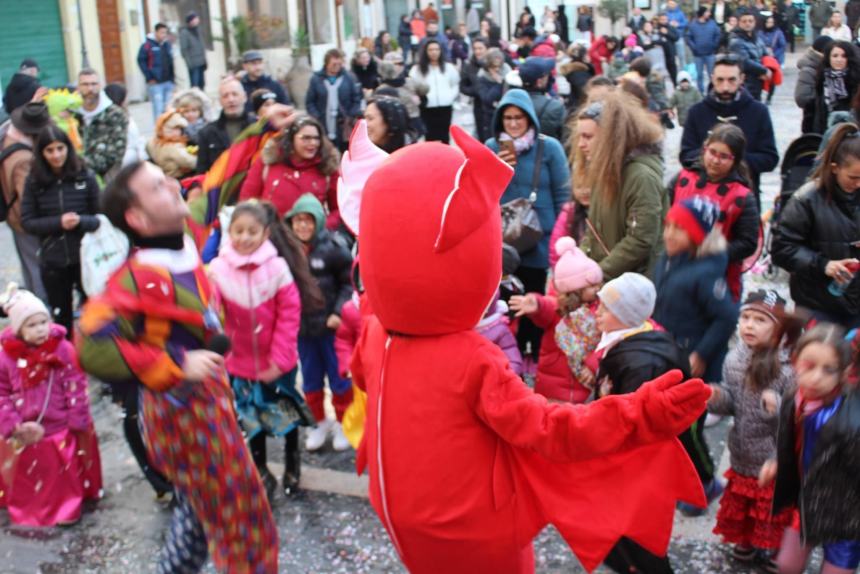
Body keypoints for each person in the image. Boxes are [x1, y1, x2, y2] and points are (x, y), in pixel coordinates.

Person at [346, 116, 711, 574]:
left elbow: (364, 380)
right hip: (476, 528)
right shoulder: (469, 357)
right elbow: (551, 429)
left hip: (399, 517)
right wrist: (638, 415)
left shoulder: (376, 332)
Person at [77, 160, 279, 572]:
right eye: (157, 186)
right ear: (138, 217)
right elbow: (90, 344)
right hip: (185, 420)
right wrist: (173, 364)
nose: (172, 184)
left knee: (199, 516)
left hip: (211, 405)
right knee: (244, 521)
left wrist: (264, 133)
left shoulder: (188, 236)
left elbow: (219, 182)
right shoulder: (136, 278)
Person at [588, 272, 718, 573]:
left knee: (637, 535)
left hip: (640, 466)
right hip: (635, 463)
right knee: (624, 533)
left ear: (625, 315)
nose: (598, 312)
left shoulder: (642, 364)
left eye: (606, 309)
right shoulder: (632, 340)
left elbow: (634, 422)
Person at [209, 200, 320, 496]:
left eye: (252, 232)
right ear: (229, 231)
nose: (244, 238)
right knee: (251, 420)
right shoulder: (219, 269)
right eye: (238, 231)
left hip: (277, 361)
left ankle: (292, 464)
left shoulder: (277, 268)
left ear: (266, 233)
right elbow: (209, 310)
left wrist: (281, 357)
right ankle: (261, 469)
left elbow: (289, 313)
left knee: (285, 415)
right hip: (240, 362)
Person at [707, 289, 797, 572]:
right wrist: (716, 396)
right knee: (743, 505)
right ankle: (745, 542)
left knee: (770, 509)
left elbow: (798, 417)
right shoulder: (735, 359)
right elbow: (732, 403)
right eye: (745, 317)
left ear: (779, 327)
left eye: (760, 320)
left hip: (772, 455)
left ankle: (772, 548)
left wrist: (777, 405)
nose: (749, 325)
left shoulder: (788, 368)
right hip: (742, 449)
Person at [0, 285, 101, 526]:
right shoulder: (6, 358)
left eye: (43, 322)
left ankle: (67, 507)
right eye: (32, 325)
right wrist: (11, 422)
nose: (40, 330)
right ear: (18, 329)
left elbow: (75, 383)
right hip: (23, 427)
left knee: (62, 472)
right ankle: (31, 507)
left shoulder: (62, 349)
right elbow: (2, 392)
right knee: (30, 472)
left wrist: (77, 417)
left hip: (59, 423)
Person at [763, 323, 860, 574]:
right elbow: (787, 440)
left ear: (844, 372)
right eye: (809, 366)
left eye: (828, 370)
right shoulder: (793, 398)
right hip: (806, 503)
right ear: (795, 361)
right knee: (786, 565)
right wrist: (776, 460)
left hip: (845, 514)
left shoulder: (852, 422)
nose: (816, 378)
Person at [486, 89, 570, 363]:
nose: (512, 124)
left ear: (530, 119)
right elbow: (479, 192)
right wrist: (496, 168)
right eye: (507, 118)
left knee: (536, 298)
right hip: (502, 240)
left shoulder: (549, 148)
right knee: (506, 300)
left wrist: (563, 236)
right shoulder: (491, 147)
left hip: (539, 237)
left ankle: (535, 354)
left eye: (518, 118)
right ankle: (515, 354)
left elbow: (562, 193)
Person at [771, 123, 860, 329]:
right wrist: (824, 265)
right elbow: (782, 249)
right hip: (819, 303)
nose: (858, 184)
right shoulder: (807, 198)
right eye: (853, 178)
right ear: (835, 169)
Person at [284, 194, 353, 452]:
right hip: (303, 330)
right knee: (310, 381)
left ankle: (344, 423)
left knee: (339, 379)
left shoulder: (334, 248)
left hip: (330, 328)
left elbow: (349, 284)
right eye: (298, 221)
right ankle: (319, 423)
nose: (302, 226)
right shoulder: (288, 252)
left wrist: (338, 313)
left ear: (319, 222)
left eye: (308, 221)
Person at [573, 94, 665, 280]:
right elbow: (594, 230)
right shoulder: (605, 170)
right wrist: (577, 263)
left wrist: (599, 273)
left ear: (610, 138)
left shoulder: (641, 177)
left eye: (588, 137)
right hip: (610, 282)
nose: (581, 144)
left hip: (634, 287)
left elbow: (640, 240)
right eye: (580, 137)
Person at [20, 125, 100, 335]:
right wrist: (58, 223)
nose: (56, 155)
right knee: (61, 317)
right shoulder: (34, 182)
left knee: (95, 312)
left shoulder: (85, 176)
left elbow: (101, 219)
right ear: (42, 153)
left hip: (86, 257)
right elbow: (27, 222)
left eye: (60, 148)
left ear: (68, 148)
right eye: (50, 150)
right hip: (53, 260)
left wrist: (80, 221)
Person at [653, 196, 739, 388]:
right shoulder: (668, 259)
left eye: (679, 229)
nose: (668, 234)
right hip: (667, 348)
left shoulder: (706, 273)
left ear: (697, 235)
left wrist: (701, 354)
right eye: (668, 226)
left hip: (690, 357)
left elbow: (726, 317)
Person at [509, 237, 603, 403]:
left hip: (584, 383)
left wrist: (593, 364)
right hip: (553, 386)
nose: (597, 289)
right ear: (574, 289)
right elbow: (546, 307)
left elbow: (605, 342)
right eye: (591, 286)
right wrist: (536, 303)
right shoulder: (559, 308)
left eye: (598, 284)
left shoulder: (600, 309)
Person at [680, 55, 778, 203]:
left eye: (731, 80)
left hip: (744, 198)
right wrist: (712, 159)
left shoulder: (758, 112)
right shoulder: (697, 112)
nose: (725, 86)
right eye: (720, 80)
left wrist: (733, 161)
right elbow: (686, 154)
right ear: (712, 79)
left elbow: (769, 158)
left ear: (741, 79)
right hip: (704, 197)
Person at [240, 114, 340, 224]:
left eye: (316, 138)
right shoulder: (267, 163)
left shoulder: (327, 168)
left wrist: (322, 227)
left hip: (311, 238)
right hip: (272, 236)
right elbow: (247, 202)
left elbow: (338, 209)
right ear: (291, 139)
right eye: (306, 138)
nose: (313, 143)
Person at [0, 102, 49, 300]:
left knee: (29, 266)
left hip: (15, 218)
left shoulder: (7, 139)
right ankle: (42, 307)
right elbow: (27, 196)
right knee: (38, 267)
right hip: (24, 220)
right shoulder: (23, 158)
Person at [75, 68, 128, 181]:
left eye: (94, 84)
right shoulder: (73, 114)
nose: (90, 89)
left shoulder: (115, 114)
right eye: (85, 84)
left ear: (100, 86)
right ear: (78, 88)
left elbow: (115, 153)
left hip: (106, 176)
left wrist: (81, 164)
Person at [195, 76, 256, 174]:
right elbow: (201, 171)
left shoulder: (257, 127)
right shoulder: (206, 133)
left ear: (244, 97)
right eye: (225, 96)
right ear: (220, 101)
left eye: (235, 94)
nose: (230, 99)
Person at [306, 49, 363, 152]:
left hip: (343, 124)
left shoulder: (349, 78)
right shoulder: (316, 79)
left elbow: (356, 98)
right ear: (327, 63)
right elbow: (310, 102)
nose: (337, 66)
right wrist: (317, 117)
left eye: (339, 63)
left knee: (345, 151)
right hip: (323, 123)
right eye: (334, 64)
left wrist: (351, 115)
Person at [409, 39, 459, 144]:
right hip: (427, 107)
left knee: (445, 136)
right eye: (431, 50)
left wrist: (450, 96)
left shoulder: (448, 68)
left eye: (437, 49)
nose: (434, 52)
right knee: (430, 137)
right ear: (425, 52)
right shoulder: (417, 69)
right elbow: (412, 86)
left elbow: (455, 84)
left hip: (445, 106)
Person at [808, 41, 860, 135]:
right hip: (825, 133)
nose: (839, 60)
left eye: (843, 56)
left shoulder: (856, 81)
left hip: (853, 136)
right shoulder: (822, 80)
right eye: (835, 56)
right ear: (829, 58)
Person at [377, 52, 427, 139]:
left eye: (401, 63)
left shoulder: (410, 81)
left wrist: (420, 101)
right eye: (394, 64)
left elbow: (424, 94)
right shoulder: (382, 88)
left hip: (414, 123)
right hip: (394, 127)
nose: (399, 66)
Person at [518, 57, 565, 141]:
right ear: (539, 82)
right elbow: (565, 138)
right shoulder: (555, 106)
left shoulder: (510, 102)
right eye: (547, 76)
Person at [137, 23, 175, 119]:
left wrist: (173, 79)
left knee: (168, 108)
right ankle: (158, 130)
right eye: (162, 32)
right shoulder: (147, 46)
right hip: (156, 82)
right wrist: (149, 77)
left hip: (168, 81)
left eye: (165, 33)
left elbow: (171, 61)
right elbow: (141, 61)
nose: (164, 35)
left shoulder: (167, 45)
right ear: (156, 32)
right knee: (158, 108)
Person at [729, 11, 770, 100]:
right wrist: (763, 70)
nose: (747, 24)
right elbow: (744, 62)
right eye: (744, 21)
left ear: (754, 23)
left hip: (758, 81)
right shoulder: (736, 41)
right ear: (739, 23)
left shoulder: (758, 39)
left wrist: (768, 68)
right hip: (745, 82)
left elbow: (766, 55)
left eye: (750, 21)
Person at [104, 83, 148, 166]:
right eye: (125, 98)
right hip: (129, 162)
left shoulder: (106, 117)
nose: (127, 102)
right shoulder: (123, 119)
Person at [796, 35, 832, 133]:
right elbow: (801, 98)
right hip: (813, 121)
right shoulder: (808, 71)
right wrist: (824, 98)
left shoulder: (826, 68)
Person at [146, 110, 197, 178]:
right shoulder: (173, 147)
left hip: (165, 174)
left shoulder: (152, 142)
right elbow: (191, 162)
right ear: (166, 129)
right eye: (176, 128)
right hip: (177, 176)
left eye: (180, 129)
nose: (179, 132)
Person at [460, 36, 489, 141]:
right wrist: (476, 91)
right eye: (475, 48)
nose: (477, 51)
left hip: (493, 105)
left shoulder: (493, 63)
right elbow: (463, 87)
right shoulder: (469, 66)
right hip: (478, 105)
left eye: (480, 48)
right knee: (481, 134)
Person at [687, 7, 722, 93]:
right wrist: (693, 47)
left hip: (710, 53)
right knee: (699, 75)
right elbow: (688, 37)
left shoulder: (712, 23)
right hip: (698, 54)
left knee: (712, 74)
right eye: (707, 12)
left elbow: (718, 34)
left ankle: (713, 91)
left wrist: (714, 45)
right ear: (702, 13)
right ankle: (700, 92)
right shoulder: (693, 25)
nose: (709, 14)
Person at [179, 11, 207, 90]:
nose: (197, 20)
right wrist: (189, 64)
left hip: (201, 62)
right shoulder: (184, 33)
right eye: (195, 18)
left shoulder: (198, 30)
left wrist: (204, 61)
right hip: (193, 64)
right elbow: (184, 50)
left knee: (202, 84)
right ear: (190, 21)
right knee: (195, 86)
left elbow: (201, 46)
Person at [665, 0, 689, 69]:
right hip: (670, 37)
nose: (671, 5)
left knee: (681, 55)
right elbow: (664, 23)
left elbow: (685, 23)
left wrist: (678, 24)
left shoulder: (680, 13)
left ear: (675, 4)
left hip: (679, 37)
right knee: (671, 56)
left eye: (672, 4)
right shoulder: (666, 13)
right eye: (669, 4)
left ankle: (684, 71)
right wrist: (669, 24)